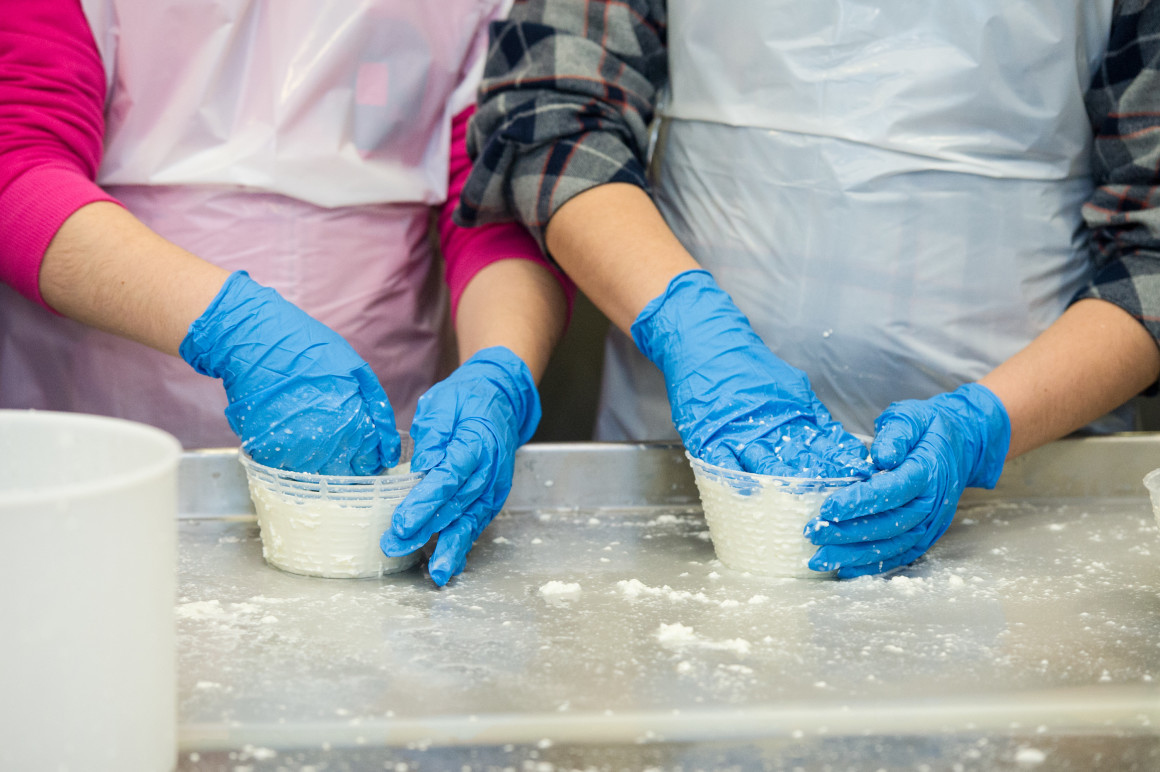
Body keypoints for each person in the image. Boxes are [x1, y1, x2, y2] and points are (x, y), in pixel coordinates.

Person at [452, 0, 1160, 577]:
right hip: (684, 476)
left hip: (1026, 488)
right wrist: (688, 327)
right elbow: (549, 108)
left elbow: (1151, 250)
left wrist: (986, 429)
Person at [0, 0, 574, 586]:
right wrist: (231, 327)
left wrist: (500, 368)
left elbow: (492, 195)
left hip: (381, 450)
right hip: (104, 436)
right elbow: (17, 161)